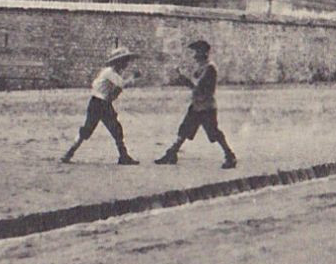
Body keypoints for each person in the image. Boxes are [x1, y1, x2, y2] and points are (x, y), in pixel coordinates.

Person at [154, 39, 237, 169]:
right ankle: (172, 153)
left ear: (204, 52)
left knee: (213, 132)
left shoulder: (209, 67)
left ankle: (230, 156)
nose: (194, 55)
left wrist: (183, 78)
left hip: (206, 106)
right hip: (198, 104)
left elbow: (197, 85)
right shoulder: (202, 67)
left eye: (197, 52)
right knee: (185, 129)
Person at [61, 48, 141, 165]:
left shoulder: (113, 73)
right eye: (124, 61)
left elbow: (114, 93)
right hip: (98, 103)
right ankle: (69, 153)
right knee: (88, 129)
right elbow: (121, 84)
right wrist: (133, 78)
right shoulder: (109, 72)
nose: (126, 64)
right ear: (118, 62)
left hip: (101, 103)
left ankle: (123, 155)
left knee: (116, 129)